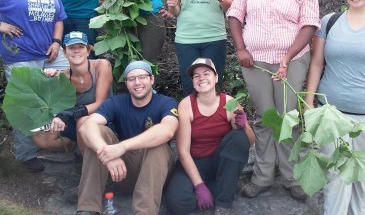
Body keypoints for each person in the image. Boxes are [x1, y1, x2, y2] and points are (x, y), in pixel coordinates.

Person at [227, 0, 320, 200]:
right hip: (254, 61)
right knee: (266, 117)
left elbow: (309, 25)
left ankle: (291, 178)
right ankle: (263, 176)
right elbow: (235, 15)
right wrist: (241, 48)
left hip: (291, 61)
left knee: (287, 119)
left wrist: (287, 57)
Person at [0, 0, 69, 172]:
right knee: (26, 103)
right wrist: (2, 26)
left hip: (49, 51)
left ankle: (60, 140)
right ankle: (26, 153)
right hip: (20, 53)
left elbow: (59, 17)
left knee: (65, 90)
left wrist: (57, 42)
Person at [76, 60, 179, 215]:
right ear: (126, 83)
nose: (137, 82)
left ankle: (144, 212)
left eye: (142, 77)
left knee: (159, 145)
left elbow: (168, 130)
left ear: (152, 79)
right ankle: (88, 209)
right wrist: (107, 155)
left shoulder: (166, 102)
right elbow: (87, 126)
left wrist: (121, 147)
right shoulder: (116, 102)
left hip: (156, 173)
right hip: (123, 172)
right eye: (131, 79)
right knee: (97, 132)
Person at [305, 0, 365, 214]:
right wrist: (309, 102)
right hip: (330, 113)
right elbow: (317, 63)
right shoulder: (329, 21)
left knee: (361, 178)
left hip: (363, 116)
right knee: (337, 176)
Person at [165, 58, 255, 215]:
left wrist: (244, 127)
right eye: (196, 76)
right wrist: (199, 186)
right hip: (195, 163)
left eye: (206, 73)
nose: (202, 79)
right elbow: (183, 151)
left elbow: (248, 142)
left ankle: (223, 204)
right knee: (177, 203)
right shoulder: (186, 105)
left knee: (238, 136)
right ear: (193, 81)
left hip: (221, 162)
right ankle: (222, 186)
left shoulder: (230, 102)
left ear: (216, 77)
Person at [32, 31, 113, 154]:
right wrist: (49, 81)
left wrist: (68, 113)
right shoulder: (62, 77)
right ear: (64, 52)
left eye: (81, 47)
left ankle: (87, 164)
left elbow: (100, 103)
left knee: (83, 123)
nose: (76, 51)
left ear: (88, 50)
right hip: (74, 120)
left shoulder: (102, 65)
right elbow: (53, 106)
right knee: (41, 138)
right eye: (71, 48)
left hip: (104, 118)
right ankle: (76, 148)